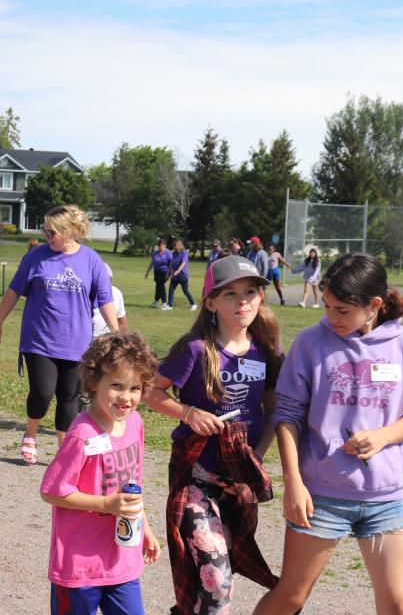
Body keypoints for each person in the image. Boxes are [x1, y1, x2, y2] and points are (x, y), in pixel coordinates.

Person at [252, 253, 403, 615]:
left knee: (400, 604)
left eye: (343, 310)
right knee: (291, 597)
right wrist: (294, 482)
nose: (331, 317)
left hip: (387, 496)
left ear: (375, 306)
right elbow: (287, 416)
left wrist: (383, 436)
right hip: (322, 495)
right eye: (328, 305)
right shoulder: (309, 344)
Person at [144, 255, 283, 614]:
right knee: (217, 582)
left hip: (241, 479)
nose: (243, 301)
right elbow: (149, 392)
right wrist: (188, 413)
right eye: (230, 294)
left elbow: (273, 409)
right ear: (210, 302)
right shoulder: (193, 349)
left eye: (250, 292)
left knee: (226, 564)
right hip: (197, 479)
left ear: (260, 297)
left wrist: (259, 454)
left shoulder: (266, 350)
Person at [40, 332, 162, 615]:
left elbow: (133, 483)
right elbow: (52, 490)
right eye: (117, 385)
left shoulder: (135, 424)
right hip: (80, 565)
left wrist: (145, 528)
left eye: (135, 388)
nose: (126, 397)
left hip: (121, 559)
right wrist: (105, 505)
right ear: (94, 382)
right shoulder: (82, 435)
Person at [0, 205, 117, 465]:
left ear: (70, 232)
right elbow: (14, 290)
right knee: (43, 392)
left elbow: (105, 298)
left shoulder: (91, 259)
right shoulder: (35, 257)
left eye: (53, 232)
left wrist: (117, 332)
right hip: (39, 340)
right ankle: (31, 432)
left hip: (77, 342)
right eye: (45, 231)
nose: (47, 237)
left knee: (69, 396)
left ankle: (64, 450)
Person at [94, 263, 127, 336]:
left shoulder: (116, 292)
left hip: (108, 340)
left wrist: (123, 341)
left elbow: (121, 320)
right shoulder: (82, 294)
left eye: (107, 280)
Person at [166, 240, 197, 312]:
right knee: (171, 290)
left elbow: (184, 262)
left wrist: (179, 270)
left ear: (178, 246)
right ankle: (170, 306)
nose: (173, 247)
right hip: (175, 276)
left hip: (183, 275)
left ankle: (193, 304)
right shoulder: (174, 253)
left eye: (175, 246)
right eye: (173, 246)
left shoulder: (184, 253)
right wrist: (168, 272)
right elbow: (171, 264)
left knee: (185, 291)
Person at [144, 238, 173, 308]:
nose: (160, 247)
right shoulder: (155, 253)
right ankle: (156, 302)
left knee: (160, 286)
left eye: (161, 245)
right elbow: (152, 263)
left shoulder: (168, 253)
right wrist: (147, 271)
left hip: (165, 272)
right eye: (159, 245)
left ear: (165, 245)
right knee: (158, 286)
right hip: (156, 273)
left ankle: (164, 303)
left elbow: (172, 264)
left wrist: (170, 274)